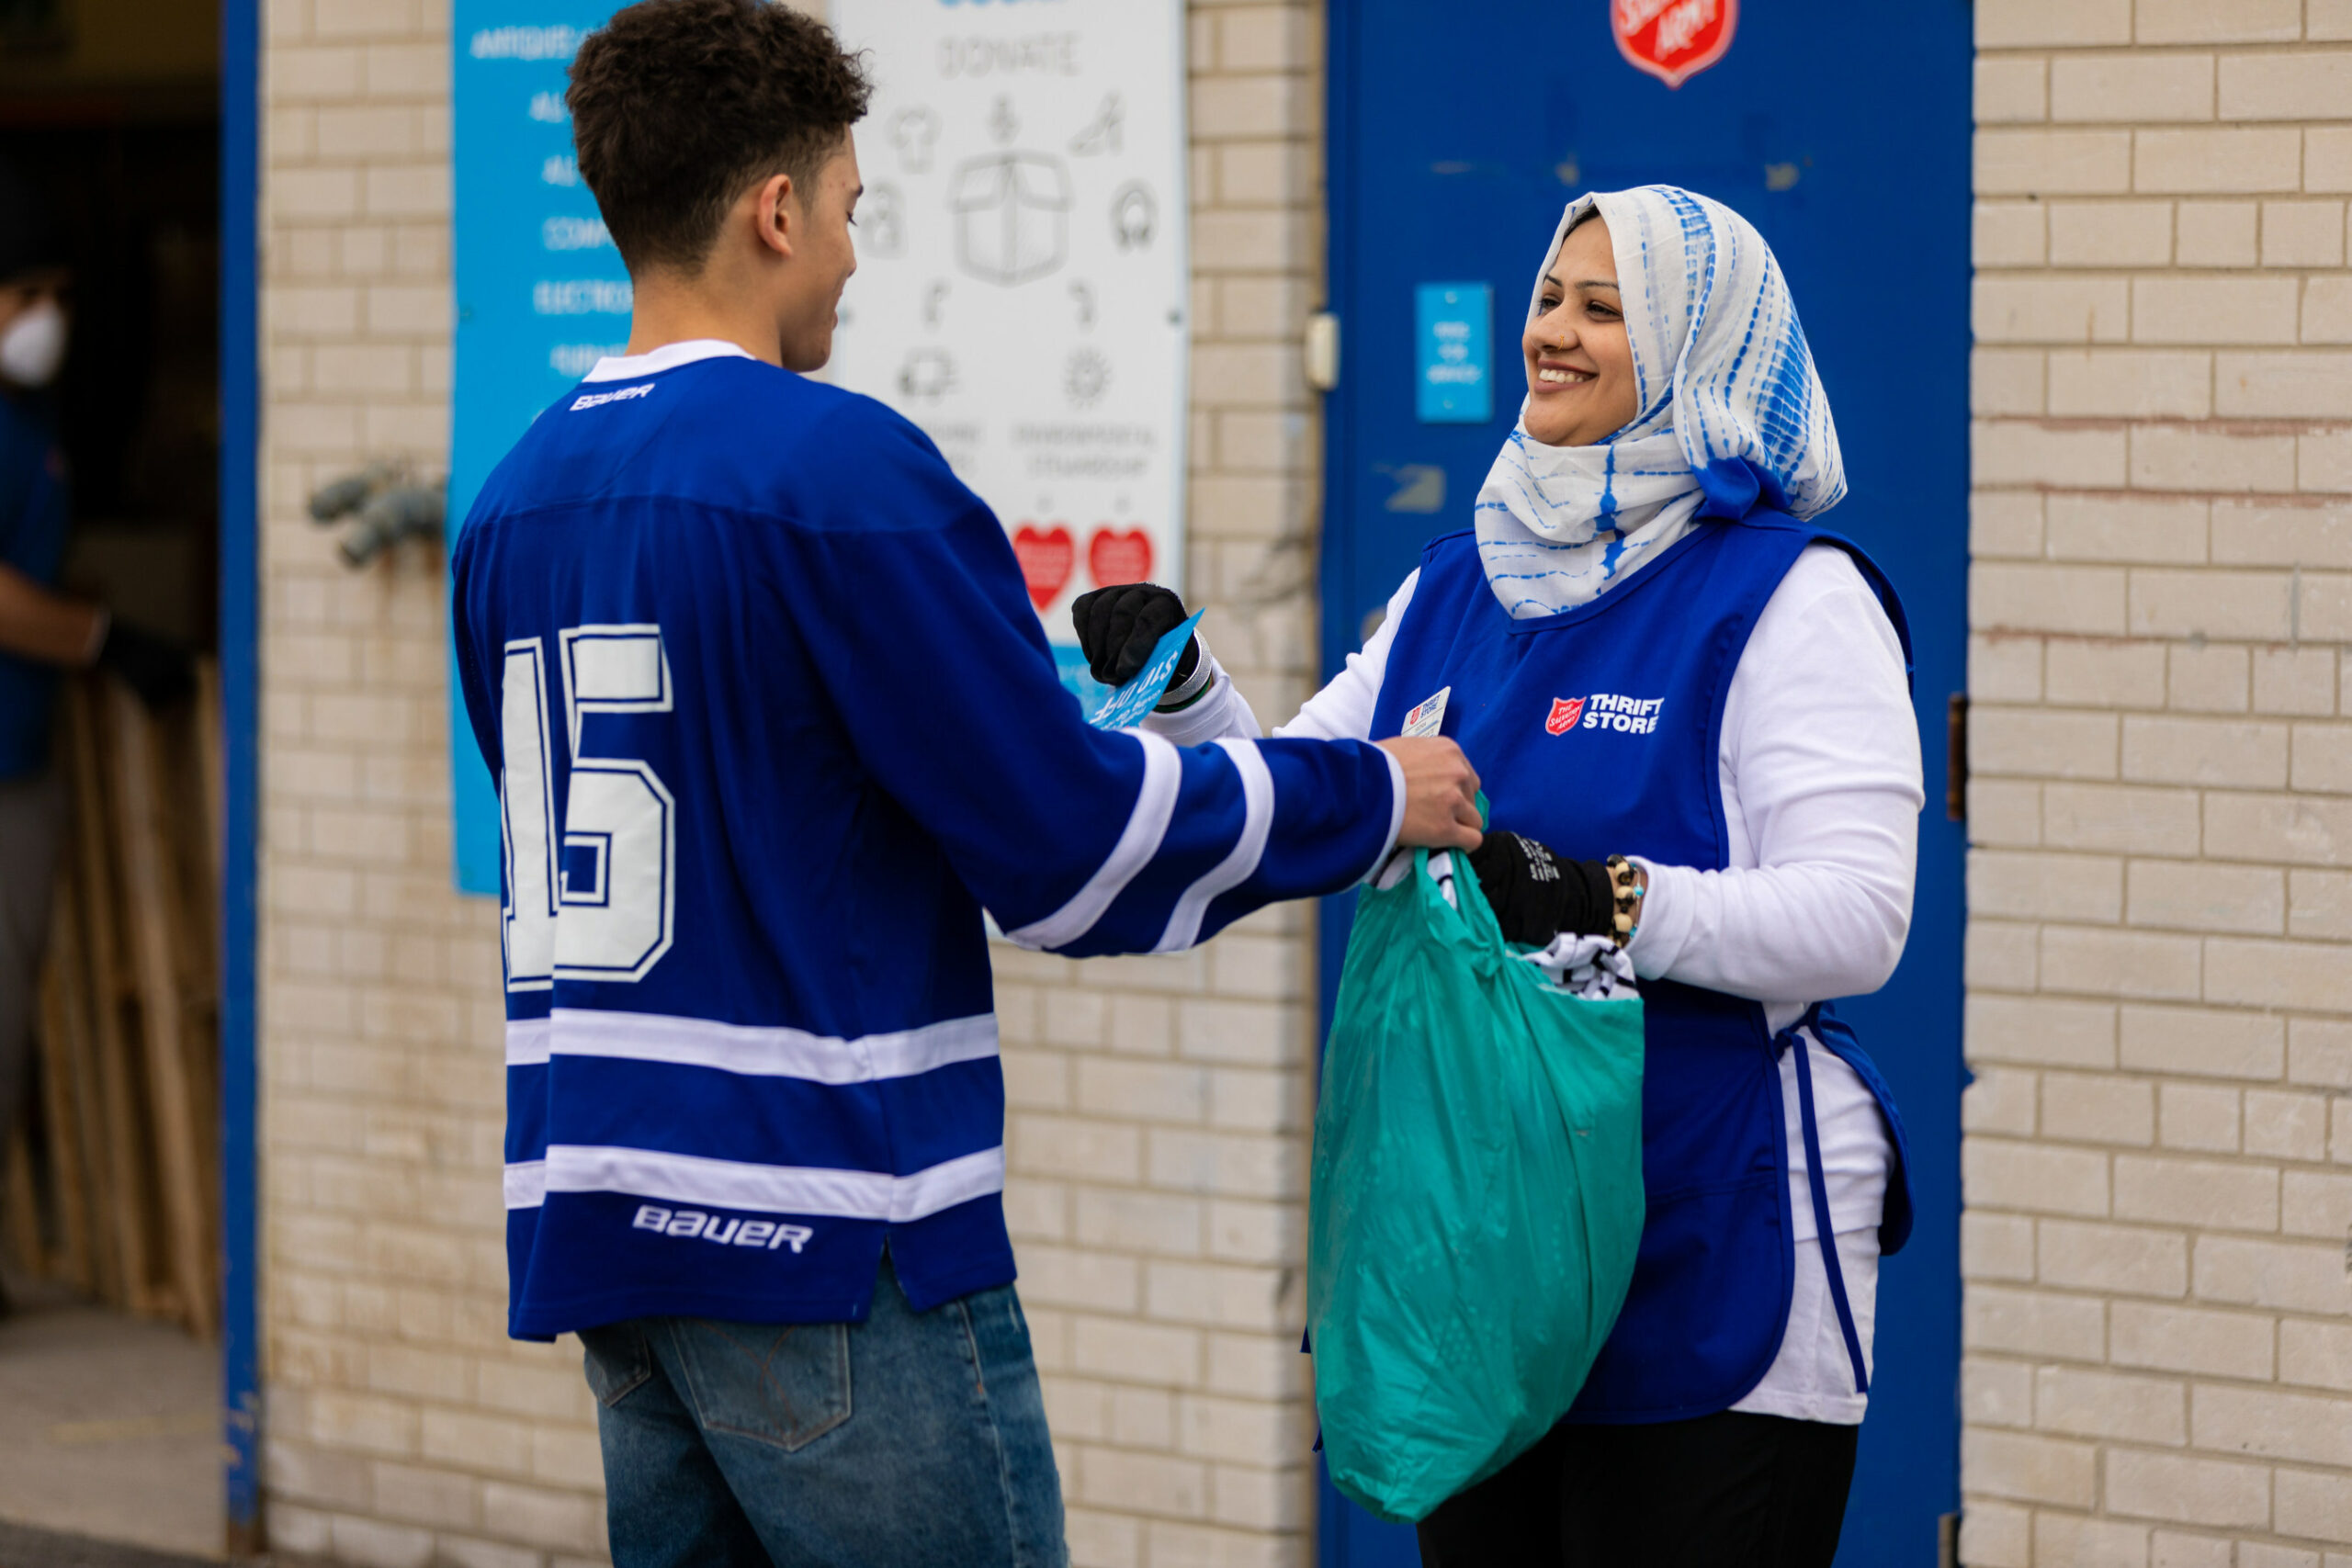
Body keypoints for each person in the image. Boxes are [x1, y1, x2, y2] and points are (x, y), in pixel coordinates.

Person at [446, 5, 1483, 1564]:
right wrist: (1366, 792)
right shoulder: (838, 474)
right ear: (775, 211)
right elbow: (1065, 851)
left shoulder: (508, 504)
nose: (856, 261)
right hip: (824, 1237)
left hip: (606, 1218)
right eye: (852, 212)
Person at [1075, 186, 1923, 1568]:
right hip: (1479, 1239)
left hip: (1708, 1239)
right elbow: (1308, 789)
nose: (1557, 334)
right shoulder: (1462, 578)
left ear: (1706, 350)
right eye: (1549, 297)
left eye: (1608, 310)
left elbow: (1859, 916)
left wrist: (1609, 899)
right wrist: (1183, 693)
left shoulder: (1788, 595)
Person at [0, 164, 191, 1316]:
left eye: (55, 293)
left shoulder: (29, 419)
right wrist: (104, 638)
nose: (46, 320)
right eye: (27, 294)